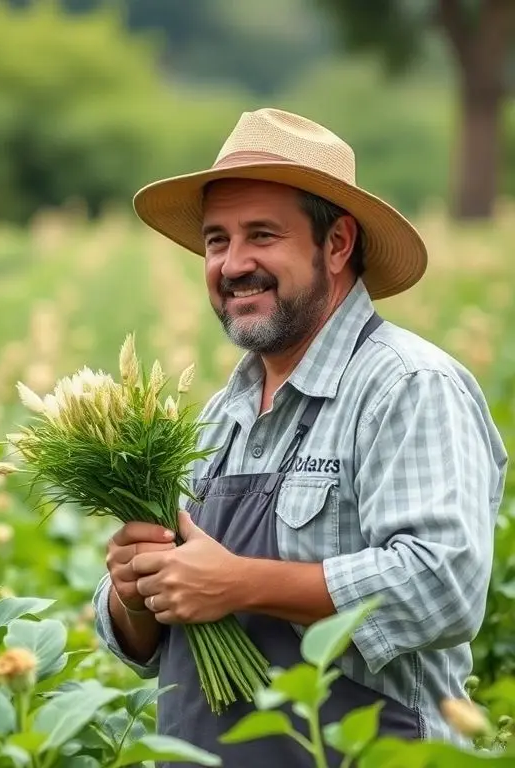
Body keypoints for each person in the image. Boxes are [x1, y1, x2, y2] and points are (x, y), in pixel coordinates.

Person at [92, 107, 508, 766]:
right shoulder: (215, 418)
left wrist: (239, 583)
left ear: (337, 244)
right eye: (216, 240)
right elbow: (139, 648)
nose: (233, 264)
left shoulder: (407, 386)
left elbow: (442, 585)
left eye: (262, 235)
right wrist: (133, 589)